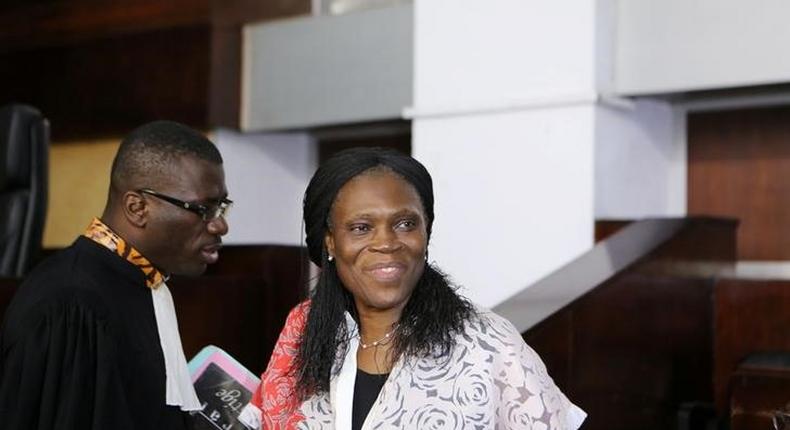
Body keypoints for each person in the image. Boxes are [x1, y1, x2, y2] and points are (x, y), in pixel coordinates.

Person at [239, 147, 586, 429]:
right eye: (361, 227)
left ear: (426, 233)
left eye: (405, 224)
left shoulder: (488, 343)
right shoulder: (303, 331)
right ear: (330, 242)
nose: (387, 243)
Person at [0, 120, 232, 429]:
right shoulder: (71, 303)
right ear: (137, 208)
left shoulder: (143, 282)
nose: (220, 226)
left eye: (221, 207)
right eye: (204, 209)